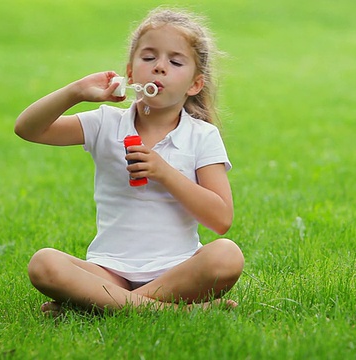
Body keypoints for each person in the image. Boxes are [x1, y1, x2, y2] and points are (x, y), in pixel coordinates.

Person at [14, 7, 244, 315]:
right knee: (44, 264)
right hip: (109, 273)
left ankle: (96, 305)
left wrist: (165, 172)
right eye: (149, 58)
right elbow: (28, 129)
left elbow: (221, 218)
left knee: (226, 256)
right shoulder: (105, 123)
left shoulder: (202, 136)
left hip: (176, 272)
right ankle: (172, 311)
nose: (159, 67)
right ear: (131, 72)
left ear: (195, 84)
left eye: (175, 62)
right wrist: (76, 92)